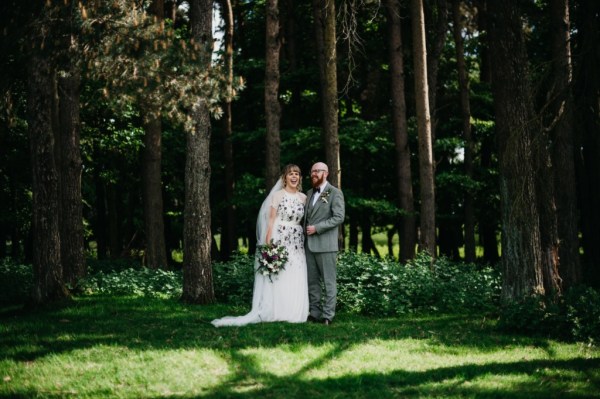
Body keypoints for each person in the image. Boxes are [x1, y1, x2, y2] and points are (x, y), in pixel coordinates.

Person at [211, 164, 309, 327]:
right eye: (290, 173)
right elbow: (270, 221)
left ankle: (295, 312)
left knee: (296, 273)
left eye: (297, 174)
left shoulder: (303, 198)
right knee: (280, 275)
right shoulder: (277, 196)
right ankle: (278, 311)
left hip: (297, 241)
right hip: (280, 238)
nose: (294, 176)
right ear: (284, 177)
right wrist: (269, 245)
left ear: (299, 177)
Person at [304, 162, 345, 325]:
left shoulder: (335, 193)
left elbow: (339, 217)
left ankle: (328, 315)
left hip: (326, 245)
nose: (314, 174)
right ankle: (314, 312)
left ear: (326, 173)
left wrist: (317, 228)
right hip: (308, 246)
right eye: (312, 171)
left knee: (328, 282)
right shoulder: (308, 193)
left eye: (317, 171)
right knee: (312, 282)